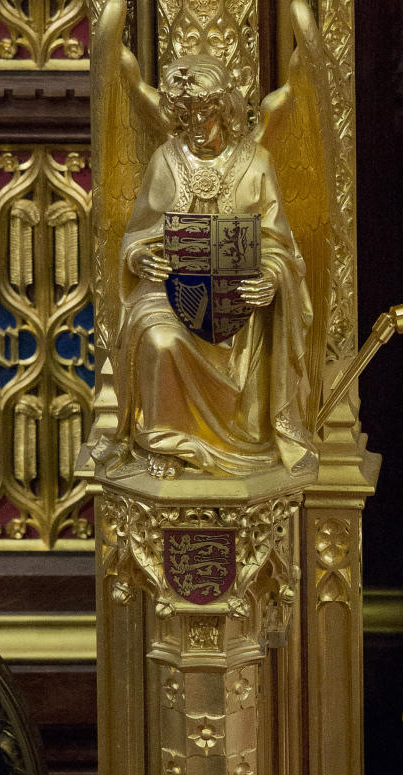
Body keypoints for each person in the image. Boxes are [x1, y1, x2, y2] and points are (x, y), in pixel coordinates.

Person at [108, 54, 315, 479]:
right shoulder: (164, 160)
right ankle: (167, 443)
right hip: (173, 293)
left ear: (224, 110)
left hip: (239, 300)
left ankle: (248, 438)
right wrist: (139, 257)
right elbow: (137, 234)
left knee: (251, 329)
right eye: (185, 117)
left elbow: (279, 244)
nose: (196, 126)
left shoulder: (256, 162)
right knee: (158, 337)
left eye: (204, 114)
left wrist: (271, 278)